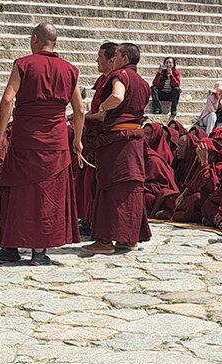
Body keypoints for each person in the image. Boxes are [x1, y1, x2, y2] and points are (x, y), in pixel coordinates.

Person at [0, 23, 84, 265]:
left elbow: (7, 99)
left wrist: (1, 135)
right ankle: (39, 252)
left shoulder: (24, 64)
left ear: (35, 39)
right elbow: (80, 110)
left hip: (25, 138)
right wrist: (77, 140)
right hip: (56, 141)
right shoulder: (70, 69)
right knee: (48, 195)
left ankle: (10, 247)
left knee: (17, 191)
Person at [81, 43, 151, 255]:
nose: (115, 59)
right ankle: (129, 239)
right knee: (130, 187)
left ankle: (104, 241)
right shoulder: (143, 83)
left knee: (109, 187)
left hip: (117, 140)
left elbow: (117, 97)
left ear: (125, 59)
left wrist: (101, 108)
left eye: (118, 55)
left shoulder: (121, 75)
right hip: (134, 140)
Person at [76, 42, 117, 237]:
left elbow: (103, 115)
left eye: (100, 57)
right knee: (87, 181)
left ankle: (93, 219)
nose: (96, 60)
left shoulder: (115, 81)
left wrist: (80, 117)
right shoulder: (103, 80)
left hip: (103, 138)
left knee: (96, 181)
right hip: (93, 137)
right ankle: (87, 217)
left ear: (112, 60)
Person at [159, 136, 222, 222]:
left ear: (210, 153)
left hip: (209, 197)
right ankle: (179, 211)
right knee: (168, 195)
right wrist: (184, 194)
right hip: (194, 195)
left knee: (197, 198)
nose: (197, 154)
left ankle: (177, 213)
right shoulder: (199, 162)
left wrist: (204, 163)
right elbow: (192, 182)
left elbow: (212, 187)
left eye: (201, 152)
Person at [143, 123, 180, 217]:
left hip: (155, 193)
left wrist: (143, 186)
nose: (144, 137)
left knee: (146, 197)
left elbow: (165, 183)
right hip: (145, 188)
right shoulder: (143, 152)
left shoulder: (156, 159)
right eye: (143, 134)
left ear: (155, 136)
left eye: (147, 134)